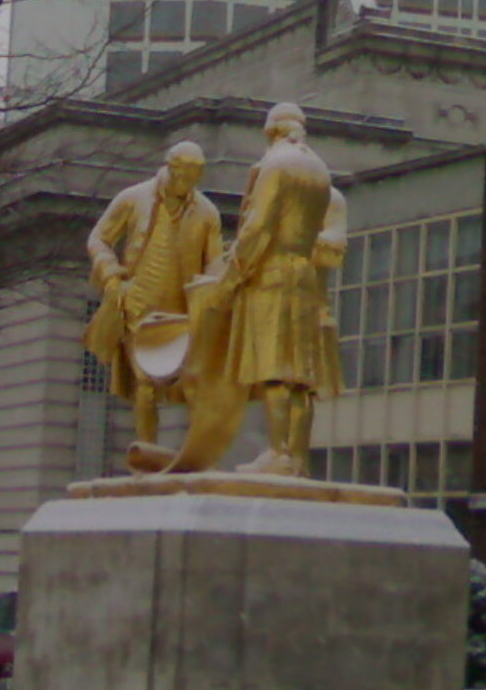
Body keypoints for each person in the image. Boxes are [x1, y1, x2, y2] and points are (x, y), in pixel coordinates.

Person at [214, 103, 346, 476]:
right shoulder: (320, 170)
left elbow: (258, 229)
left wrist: (231, 276)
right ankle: (296, 458)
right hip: (305, 276)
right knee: (300, 378)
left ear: (271, 131)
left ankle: (278, 452)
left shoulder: (276, 166)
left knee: (275, 369)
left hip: (271, 274)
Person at [84, 141, 223, 444]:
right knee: (145, 385)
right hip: (139, 306)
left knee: (197, 385)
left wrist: (214, 287)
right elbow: (99, 238)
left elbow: (214, 259)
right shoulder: (133, 198)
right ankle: (147, 453)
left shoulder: (207, 212)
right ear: (170, 168)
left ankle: (195, 455)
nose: (186, 184)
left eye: (193, 178)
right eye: (182, 176)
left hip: (183, 312)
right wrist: (111, 275)